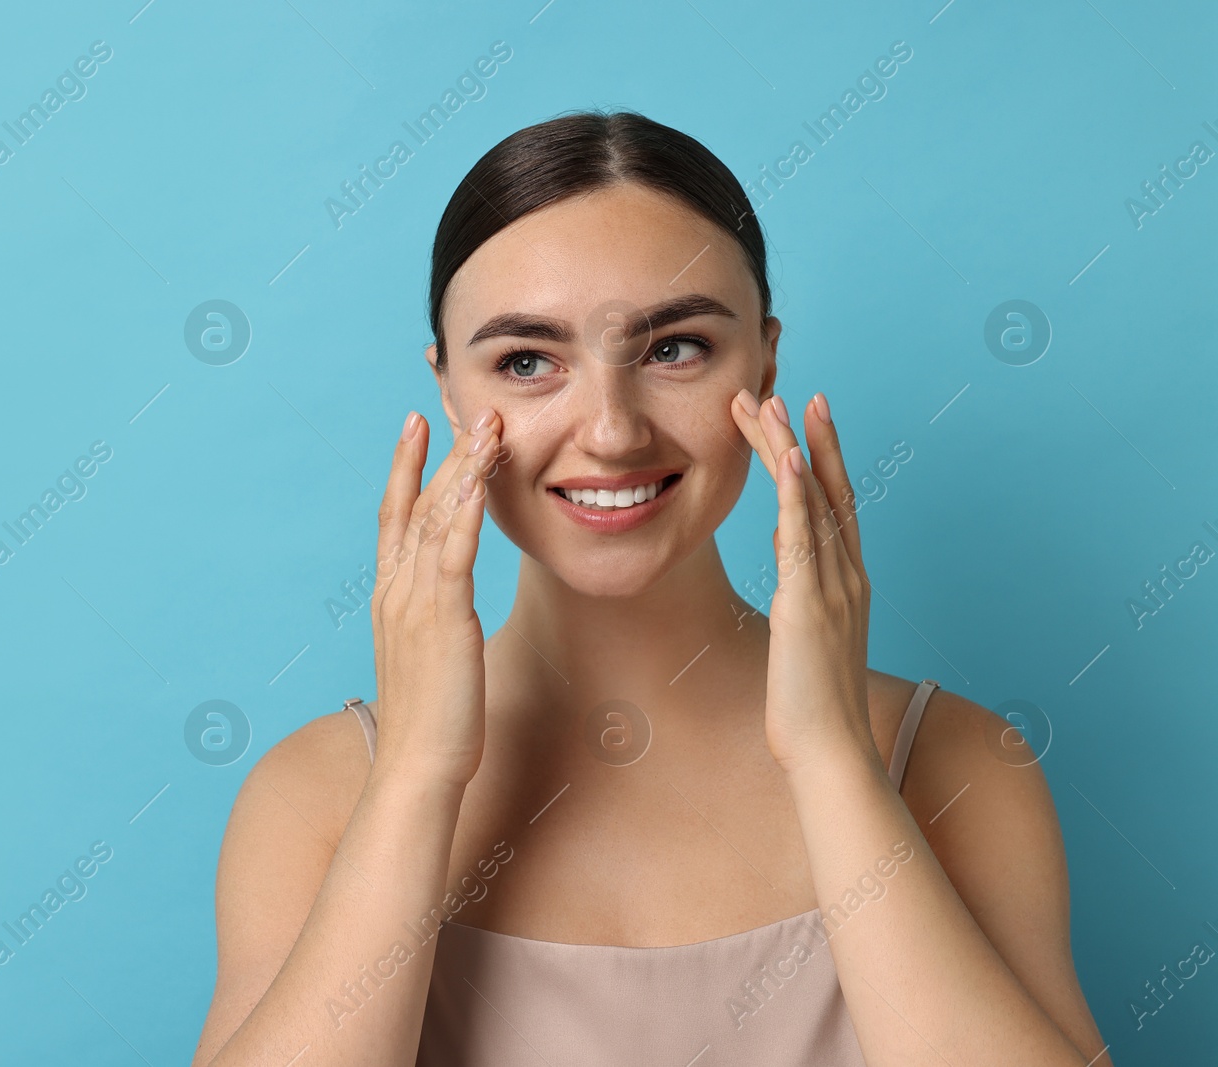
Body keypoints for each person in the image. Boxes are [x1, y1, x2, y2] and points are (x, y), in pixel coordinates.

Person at [191, 109, 1112, 1065]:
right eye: (526, 362)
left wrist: (834, 761)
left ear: (765, 357)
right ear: (450, 390)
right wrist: (418, 779)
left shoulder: (957, 765)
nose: (612, 431)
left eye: (674, 348)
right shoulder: (318, 797)